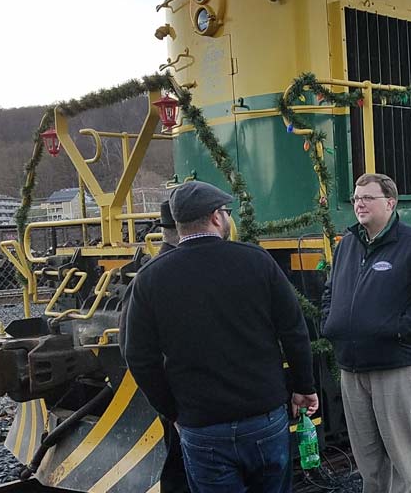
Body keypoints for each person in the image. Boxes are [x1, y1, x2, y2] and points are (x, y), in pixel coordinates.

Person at [123, 181, 319, 493]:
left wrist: (172, 411)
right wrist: (303, 388)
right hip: (264, 417)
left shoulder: (150, 279)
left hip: (201, 425)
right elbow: (294, 330)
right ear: (216, 217)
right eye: (226, 212)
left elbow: (138, 356)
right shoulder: (257, 261)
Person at [321, 173, 411, 493]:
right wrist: (331, 321)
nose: (359, 204)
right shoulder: (347, 244)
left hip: (397, 366)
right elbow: (330, 290)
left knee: (405, 462)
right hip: (352, 369)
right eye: (355, 198)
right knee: (369, 463)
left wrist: (397, 328)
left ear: (390, 203)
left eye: (368, 198)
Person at [120, 200, 188, 492]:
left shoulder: (148, 275)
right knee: (180, 468)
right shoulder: (164, 275)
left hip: (175, 399)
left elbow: (131, 349)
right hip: (185, 400)